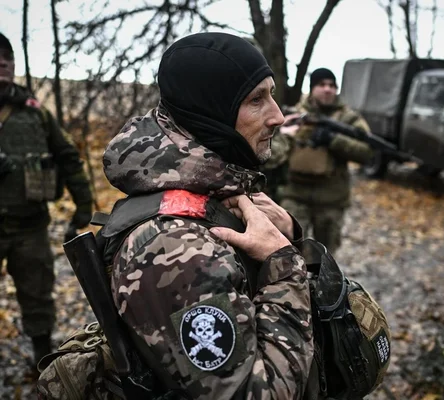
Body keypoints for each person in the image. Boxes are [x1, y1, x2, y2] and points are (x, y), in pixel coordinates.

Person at [99, 33, 313, 398]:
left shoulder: (218, 189)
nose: (277, 116)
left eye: (271, 94)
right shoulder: (170, 245)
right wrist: (284, 264)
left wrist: (289, 232)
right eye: (256, 100)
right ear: (209, 110)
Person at [0, 33, 93, 366]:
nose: (1, 65)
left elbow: (67, 155)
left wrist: (84, 205)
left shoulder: (35, 113)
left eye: (6, 60)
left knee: (38, 293)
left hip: (30, 224)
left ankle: (42, 359)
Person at [280, 68, 374, 255]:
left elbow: (367, 152)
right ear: (312, 88)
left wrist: (333, 140)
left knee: (326, 258)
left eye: (332, 85)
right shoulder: (295, 115)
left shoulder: (349, 118)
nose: (327, 89)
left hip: (331, 199)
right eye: (322, 85)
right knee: (287, 252)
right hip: (294, 195)